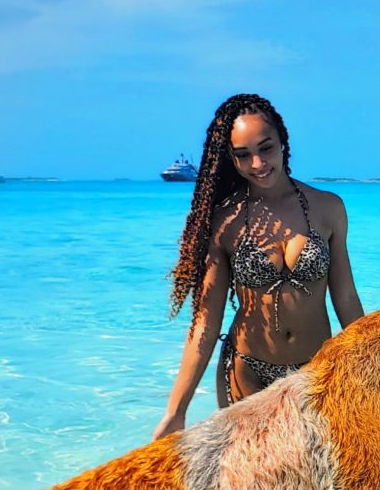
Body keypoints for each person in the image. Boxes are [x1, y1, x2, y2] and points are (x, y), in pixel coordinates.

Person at [152, 93, 364, 440]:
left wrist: (375, 363)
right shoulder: (226, 222)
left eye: (266, 148)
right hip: (245, 372)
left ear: (283, 143)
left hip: (314, 373)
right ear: (230, 159)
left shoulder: (328, 208)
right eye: (243, 155)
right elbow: (206, 321)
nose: (257, 163)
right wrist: (176, 411)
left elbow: (346, 299)